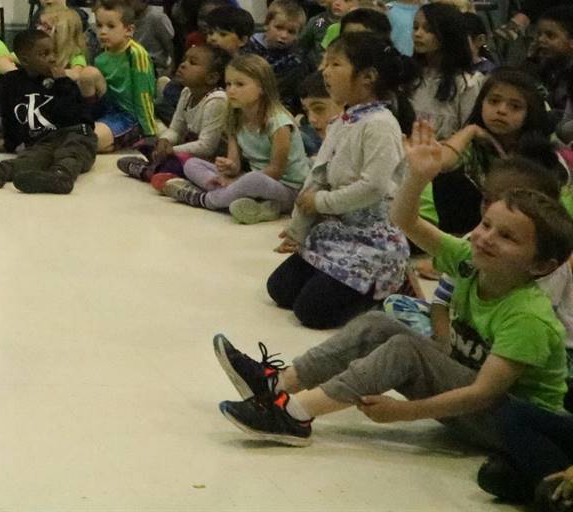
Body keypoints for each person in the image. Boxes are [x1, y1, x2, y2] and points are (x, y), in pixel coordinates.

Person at [213, 120, 573, 450]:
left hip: (511, 427)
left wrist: (405, 412)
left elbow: (481, 395)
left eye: (507, 236)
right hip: (474, 395)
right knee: (379, 324)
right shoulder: (468, 259)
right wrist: (416, 176)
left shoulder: (528, 317)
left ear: (542, 265)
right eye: (486, 224)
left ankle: (294, 415)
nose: (485, 238)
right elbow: (405, 220)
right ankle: (278, 384)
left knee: (405, 349)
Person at [269, 32, 414, 329]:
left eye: (335, 64)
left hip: (372, 242)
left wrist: (321, 202)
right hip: (336, 232)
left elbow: (373, 186)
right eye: (324, 63)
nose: (324, 71)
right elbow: (318, 175)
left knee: (311, 313)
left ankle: (383, 290)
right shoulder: (344, 121)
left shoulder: (381, 124)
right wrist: (298, 229)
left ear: (368, 77)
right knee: (279, 290)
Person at [163, 55, 309, 221]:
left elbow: (276, 171)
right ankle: (249, 203)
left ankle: (207, 199)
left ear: (262, 88)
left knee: (253, 180)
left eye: (240, 84)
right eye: (228, 84)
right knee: (191, 163)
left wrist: (237, 181)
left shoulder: (279, 122)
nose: (231, 90)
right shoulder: (234, 117)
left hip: (287, 189)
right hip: (250, 181)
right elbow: (235, 165)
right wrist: (228, 167)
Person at [0, 28, 100, 195]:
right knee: (31, 158)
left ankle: (61, 177)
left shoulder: (63, 82)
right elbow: (10, 117)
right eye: (44, 54)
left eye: (53, 52)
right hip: (44, 141)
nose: (52, 58)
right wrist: (9, 144)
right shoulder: (11, 81)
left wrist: (62, 84)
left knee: (70, 152)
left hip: (76, 133)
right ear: (24, 60)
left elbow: (75, 115)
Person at [423, 69, 558, 235]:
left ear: (530, 114)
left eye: (515, 106)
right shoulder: (471, 145)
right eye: (493, 101)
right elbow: (440, 163)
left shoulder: (541, 153)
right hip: (473, 233)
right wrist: (470, 131)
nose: (501, 110)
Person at [117, 43, 227, 185]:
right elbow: (175, 129)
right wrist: (165, 141)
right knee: (146, 144)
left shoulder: (217, 100)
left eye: (192, 63)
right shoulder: (187, 92)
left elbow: (207, 147)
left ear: (211, 78)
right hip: (189, 151)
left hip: (212, 161)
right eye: (184, 60)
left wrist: (172, 150)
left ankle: (150, 171)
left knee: (187, 165)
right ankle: (158, 170)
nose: (183, 65)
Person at [90, 0, 159, 151]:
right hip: (108, 112)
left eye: (111, 26)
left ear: (128, 30)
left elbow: (144, 94)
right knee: (88, 74)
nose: (103, 32)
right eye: (99, 25)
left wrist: (150, 132)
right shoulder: (101, 56)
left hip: (129, 116)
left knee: (91, 141)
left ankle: (134, 135)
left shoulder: (136, 54)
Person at [409, 2, 486, 140]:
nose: (418, 34)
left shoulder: (467, 83)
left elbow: (469, 133)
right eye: (415, 27)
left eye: (428, 29)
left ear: (448, 33)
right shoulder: (411, 76)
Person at [249, 0, 311, 103]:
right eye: (279, 28)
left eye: (291, 32)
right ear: (266, 24)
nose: (283, 35)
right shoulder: (248, 47)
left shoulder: (295, 62)